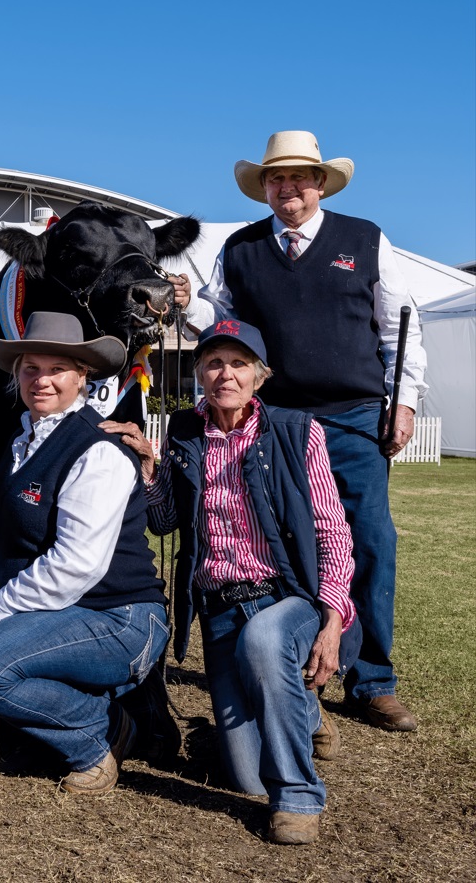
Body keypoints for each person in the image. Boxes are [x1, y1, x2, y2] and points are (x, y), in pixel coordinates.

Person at [176, 131, 426, 733]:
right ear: (264, 187)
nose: (288, 188)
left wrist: (406, 402)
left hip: (354, 413)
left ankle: (372, 681)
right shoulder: (239, 248)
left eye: (299, 178)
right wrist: (185, 305)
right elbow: (220, 317)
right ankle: (296, 664)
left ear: (320, 184)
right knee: (283, 544)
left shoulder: (365, 239)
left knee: (370, 540)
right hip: (276, 421)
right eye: (276, 178)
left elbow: (400, 327)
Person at [104, 319, 355, 845]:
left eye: (239, 364)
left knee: (265, 643)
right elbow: (165, 521)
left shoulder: (295, 430)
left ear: (259, 377)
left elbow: (332, 528)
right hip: (219, 605)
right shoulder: (185, 430)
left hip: (284, 597)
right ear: (198, 372)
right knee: (242, 776)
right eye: (214, 362)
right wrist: (152, 469)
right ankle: (300, 710)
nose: (226, 374)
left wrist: (332, 621)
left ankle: (298, 796)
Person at [0, 312, 169, 795]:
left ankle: (100, 734)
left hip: (120, 616)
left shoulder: (99, 449)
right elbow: (38, 515)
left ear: (82, 376)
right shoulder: (23, 437)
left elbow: (77, 563)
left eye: (56, 370)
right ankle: (93, 721)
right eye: (30, 368)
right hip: (71, 610)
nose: (41, 380)